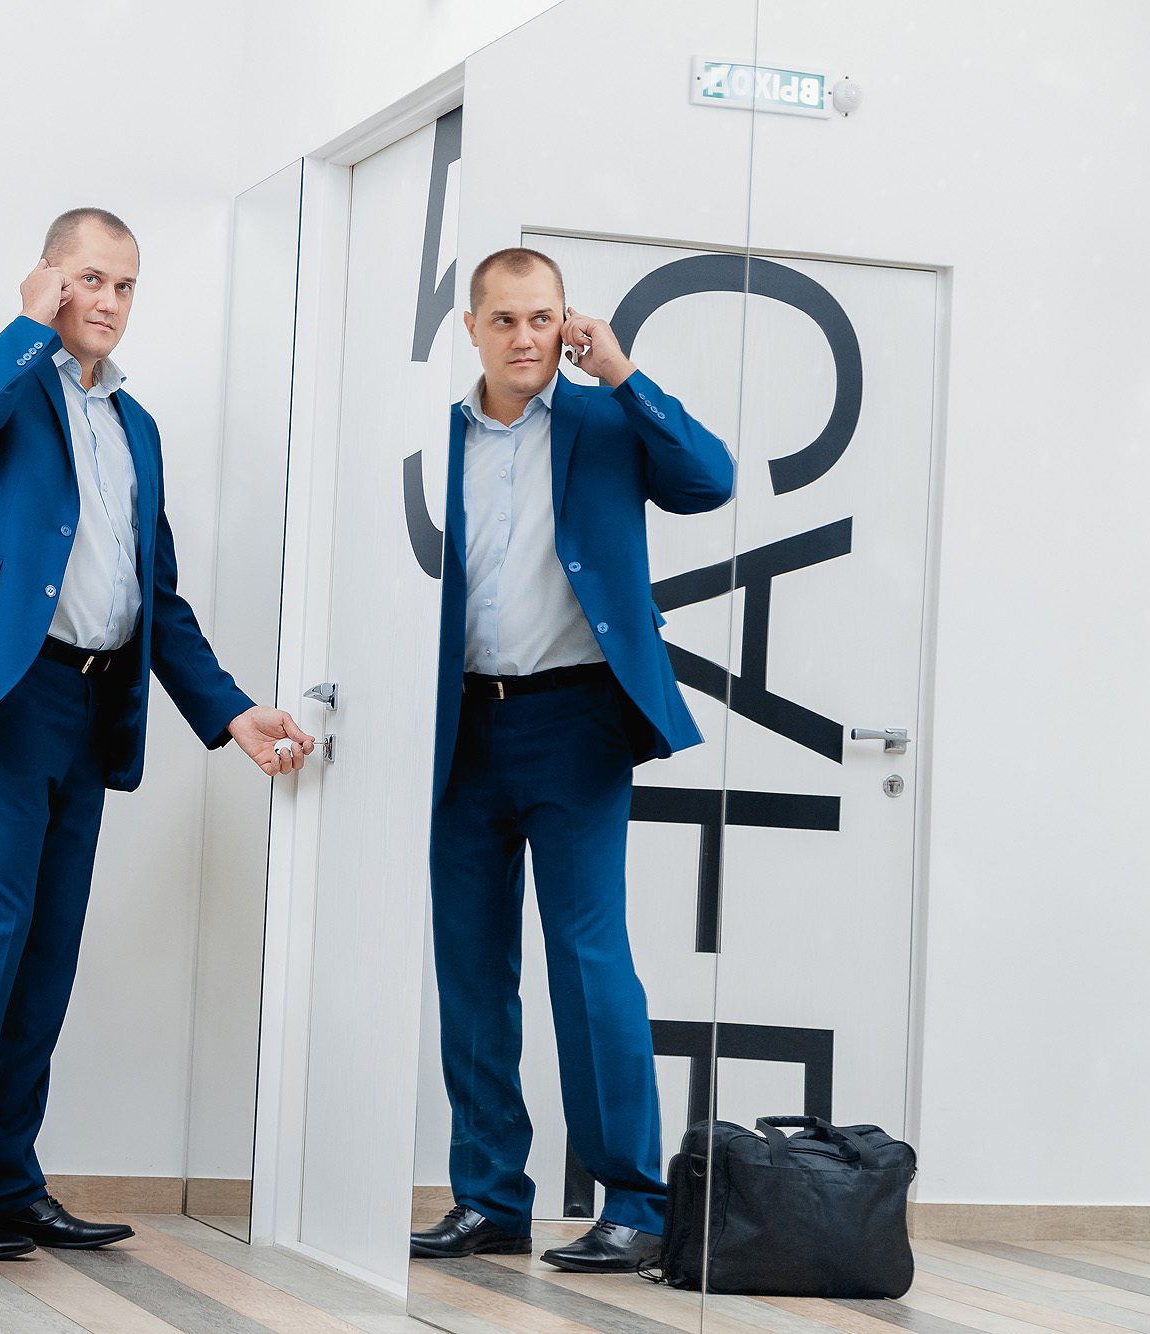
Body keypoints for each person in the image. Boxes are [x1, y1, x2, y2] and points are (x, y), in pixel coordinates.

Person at [0, 208, 315, 1257]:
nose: (109, 303)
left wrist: (229, 709)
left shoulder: (138, 426)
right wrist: (27, 324)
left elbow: (154, 594)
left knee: (43, 962)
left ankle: (1, 1181)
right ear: (46, 278)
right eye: (89, 278)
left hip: (88, 708)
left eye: (125, 285)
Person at [408, 248, 735, 1272]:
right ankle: (489, 1198)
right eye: (504, 319)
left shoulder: (604, 418)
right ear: (471, 328)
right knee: (470, 967)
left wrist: (623, 373)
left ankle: (634, 1202)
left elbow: (709, 479)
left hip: (575, 722)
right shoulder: (431, 436)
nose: (524, 338)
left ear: (567, 324)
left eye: (541, 318)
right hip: (459, 726)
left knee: (589, 960)